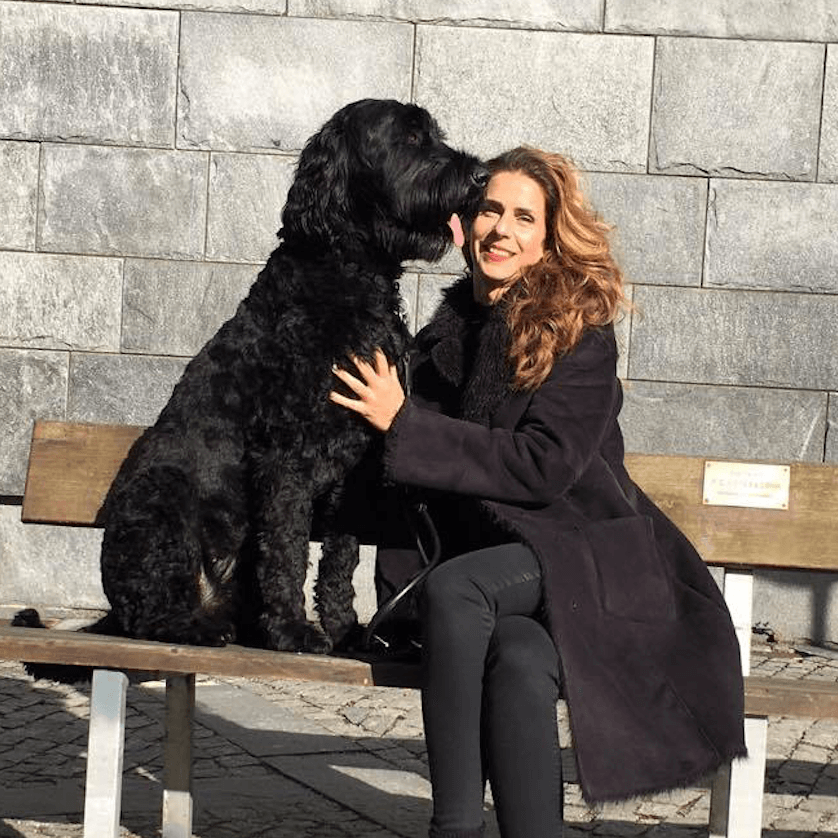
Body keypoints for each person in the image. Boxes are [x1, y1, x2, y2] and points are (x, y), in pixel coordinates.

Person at [330, 146, 746, 838]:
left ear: (550, 238)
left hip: (586, 557)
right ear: (465, 225)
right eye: (490, 210)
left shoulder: (578, 335)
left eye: (524, 217)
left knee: (458, 590)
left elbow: (542, 466)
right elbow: (409, 482)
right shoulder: (443, 340)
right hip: (510, 580)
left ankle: (453, 826)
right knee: (519, 658)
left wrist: (405, 424)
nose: (502, 229)